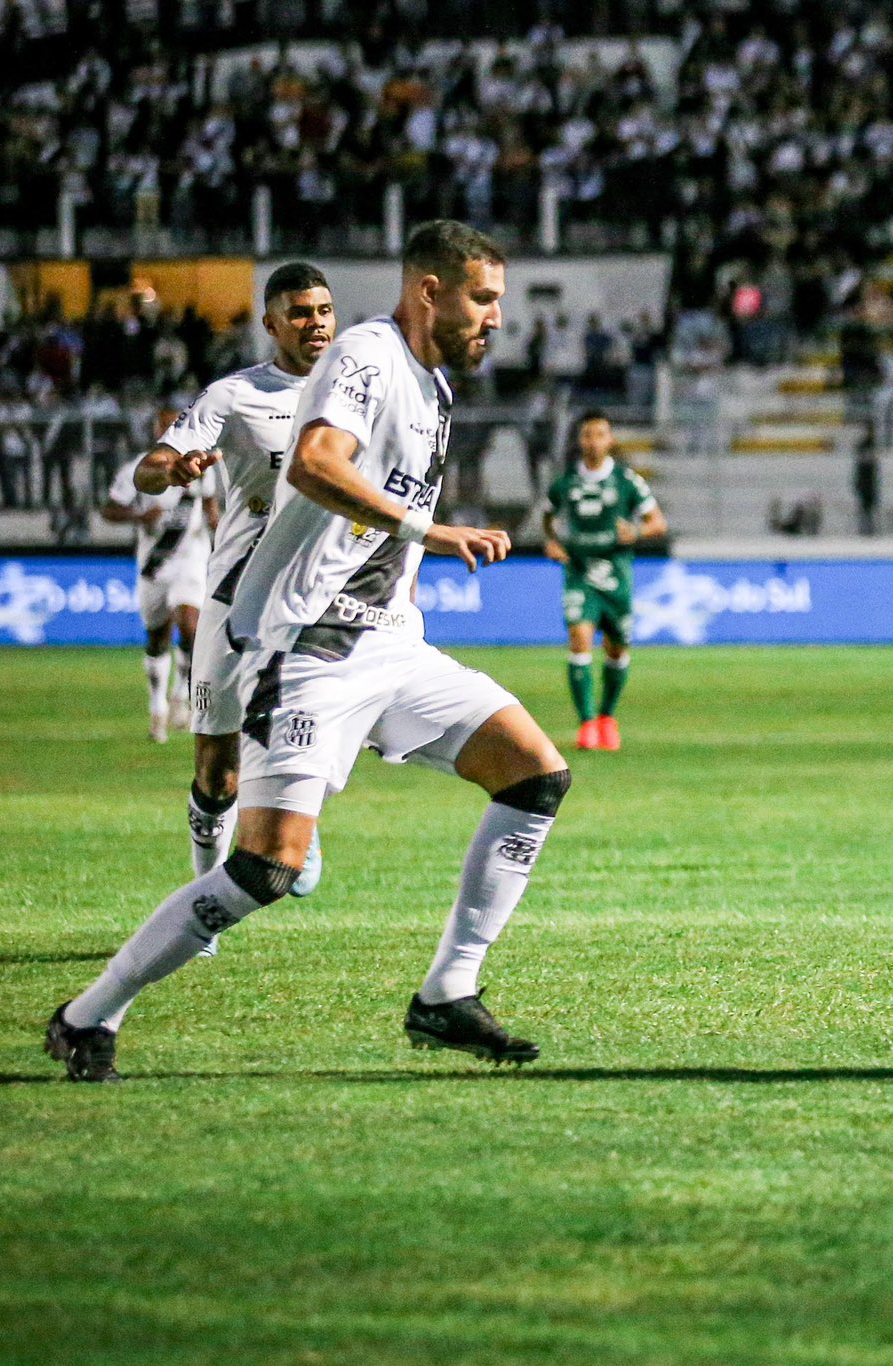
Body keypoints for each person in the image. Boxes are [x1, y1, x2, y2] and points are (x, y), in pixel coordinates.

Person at [47, 220, 571, 1082]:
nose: (496, 319)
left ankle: (447, 993)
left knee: (536, 775)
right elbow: (314, 464)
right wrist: (426, 529)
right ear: (429, 291)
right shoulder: (367, 355)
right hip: (303, 644)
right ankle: (88, 1015)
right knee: (265, 870)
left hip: (389, 644)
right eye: (483, 298)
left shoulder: (434, 386)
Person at [130, 262, 338, 922]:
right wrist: (172, 468)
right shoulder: (235, 395)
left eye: (325, 311)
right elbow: (150, 468)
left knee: (319, 720)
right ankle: (204, 896)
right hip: (233, 597)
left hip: (319, 601)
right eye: (301, 312)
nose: (316, 323)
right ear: (271, 322)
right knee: (216, 773)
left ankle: (296, 818)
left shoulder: (364, 395)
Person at [542, 408, 666, 752]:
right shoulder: (565, 483)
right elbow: (548, 517)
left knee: (616, 647)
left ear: (610, 439)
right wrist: (552, 542)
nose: (594, 442)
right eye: (587, 435)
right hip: (580, 573)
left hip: (616, 576)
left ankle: (607, 717)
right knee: (579, 637)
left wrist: (637, 530)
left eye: (600, 434)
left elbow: (658, 522)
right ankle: (586, 724)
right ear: (579, 440)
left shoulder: (627, 481)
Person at [101, 410, 218, 743]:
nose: (172, 431)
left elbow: (210, 507)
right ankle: (157, 706)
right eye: (166, 426)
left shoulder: (200, 468)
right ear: (156, 431)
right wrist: (139, 515)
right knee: (157, 638)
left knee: (191, 628)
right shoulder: (136, 471)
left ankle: (181, 695)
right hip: (154, 564)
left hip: (192, 560)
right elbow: (109, 509)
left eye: (177, 425)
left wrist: (221, 534)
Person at [853, 427, 880, 536]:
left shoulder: (870, 465)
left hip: (870, 485)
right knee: (865, 508)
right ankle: (865, 529)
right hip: (865, 485)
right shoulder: (863, 466)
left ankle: (869, 528)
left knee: (869, 508)